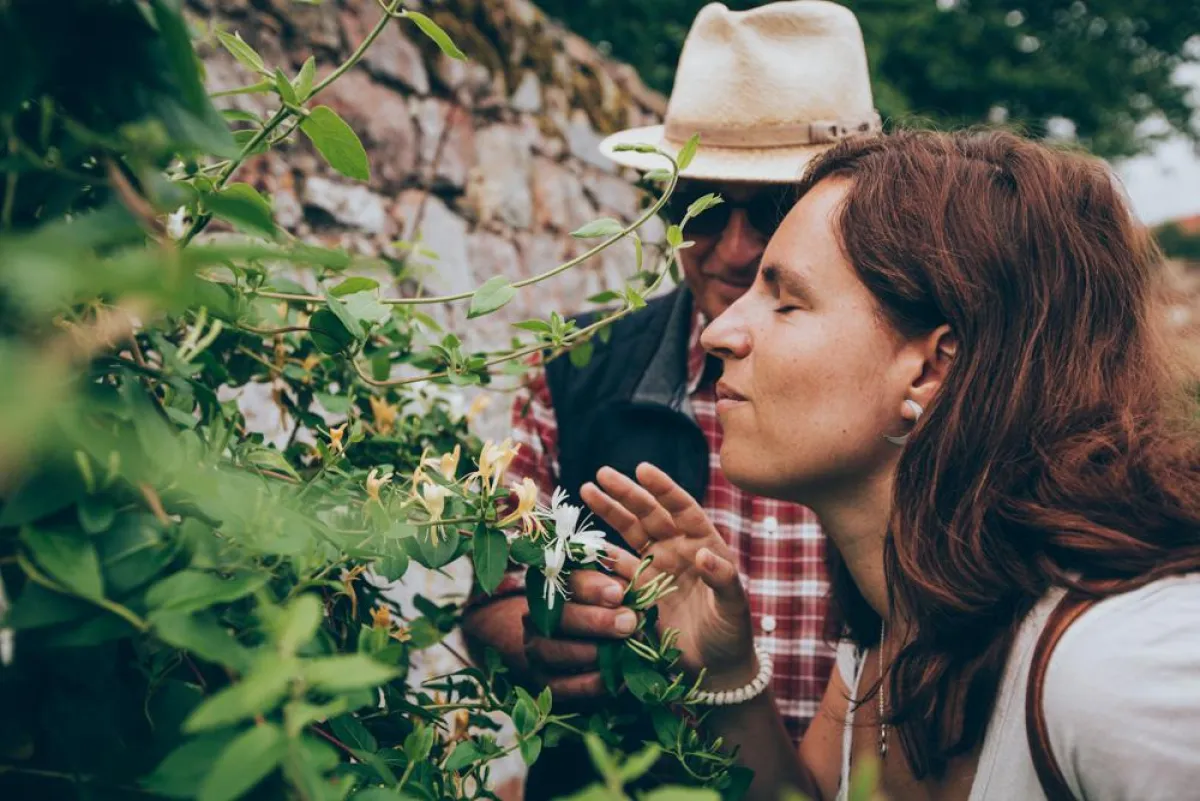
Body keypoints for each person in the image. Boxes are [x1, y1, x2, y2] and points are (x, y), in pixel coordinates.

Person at [580, 129, 1200, 801]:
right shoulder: (895, 613)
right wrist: (728, 671)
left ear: (931, 370)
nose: (718, 331)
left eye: (786, 301)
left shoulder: (1127, 667)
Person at [461, 1, 882, 797]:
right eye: (700, 206)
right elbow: (493, 601)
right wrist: (548, 633)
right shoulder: (577, 363)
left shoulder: (913, 381)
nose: (731, 248)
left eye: (773, 210)